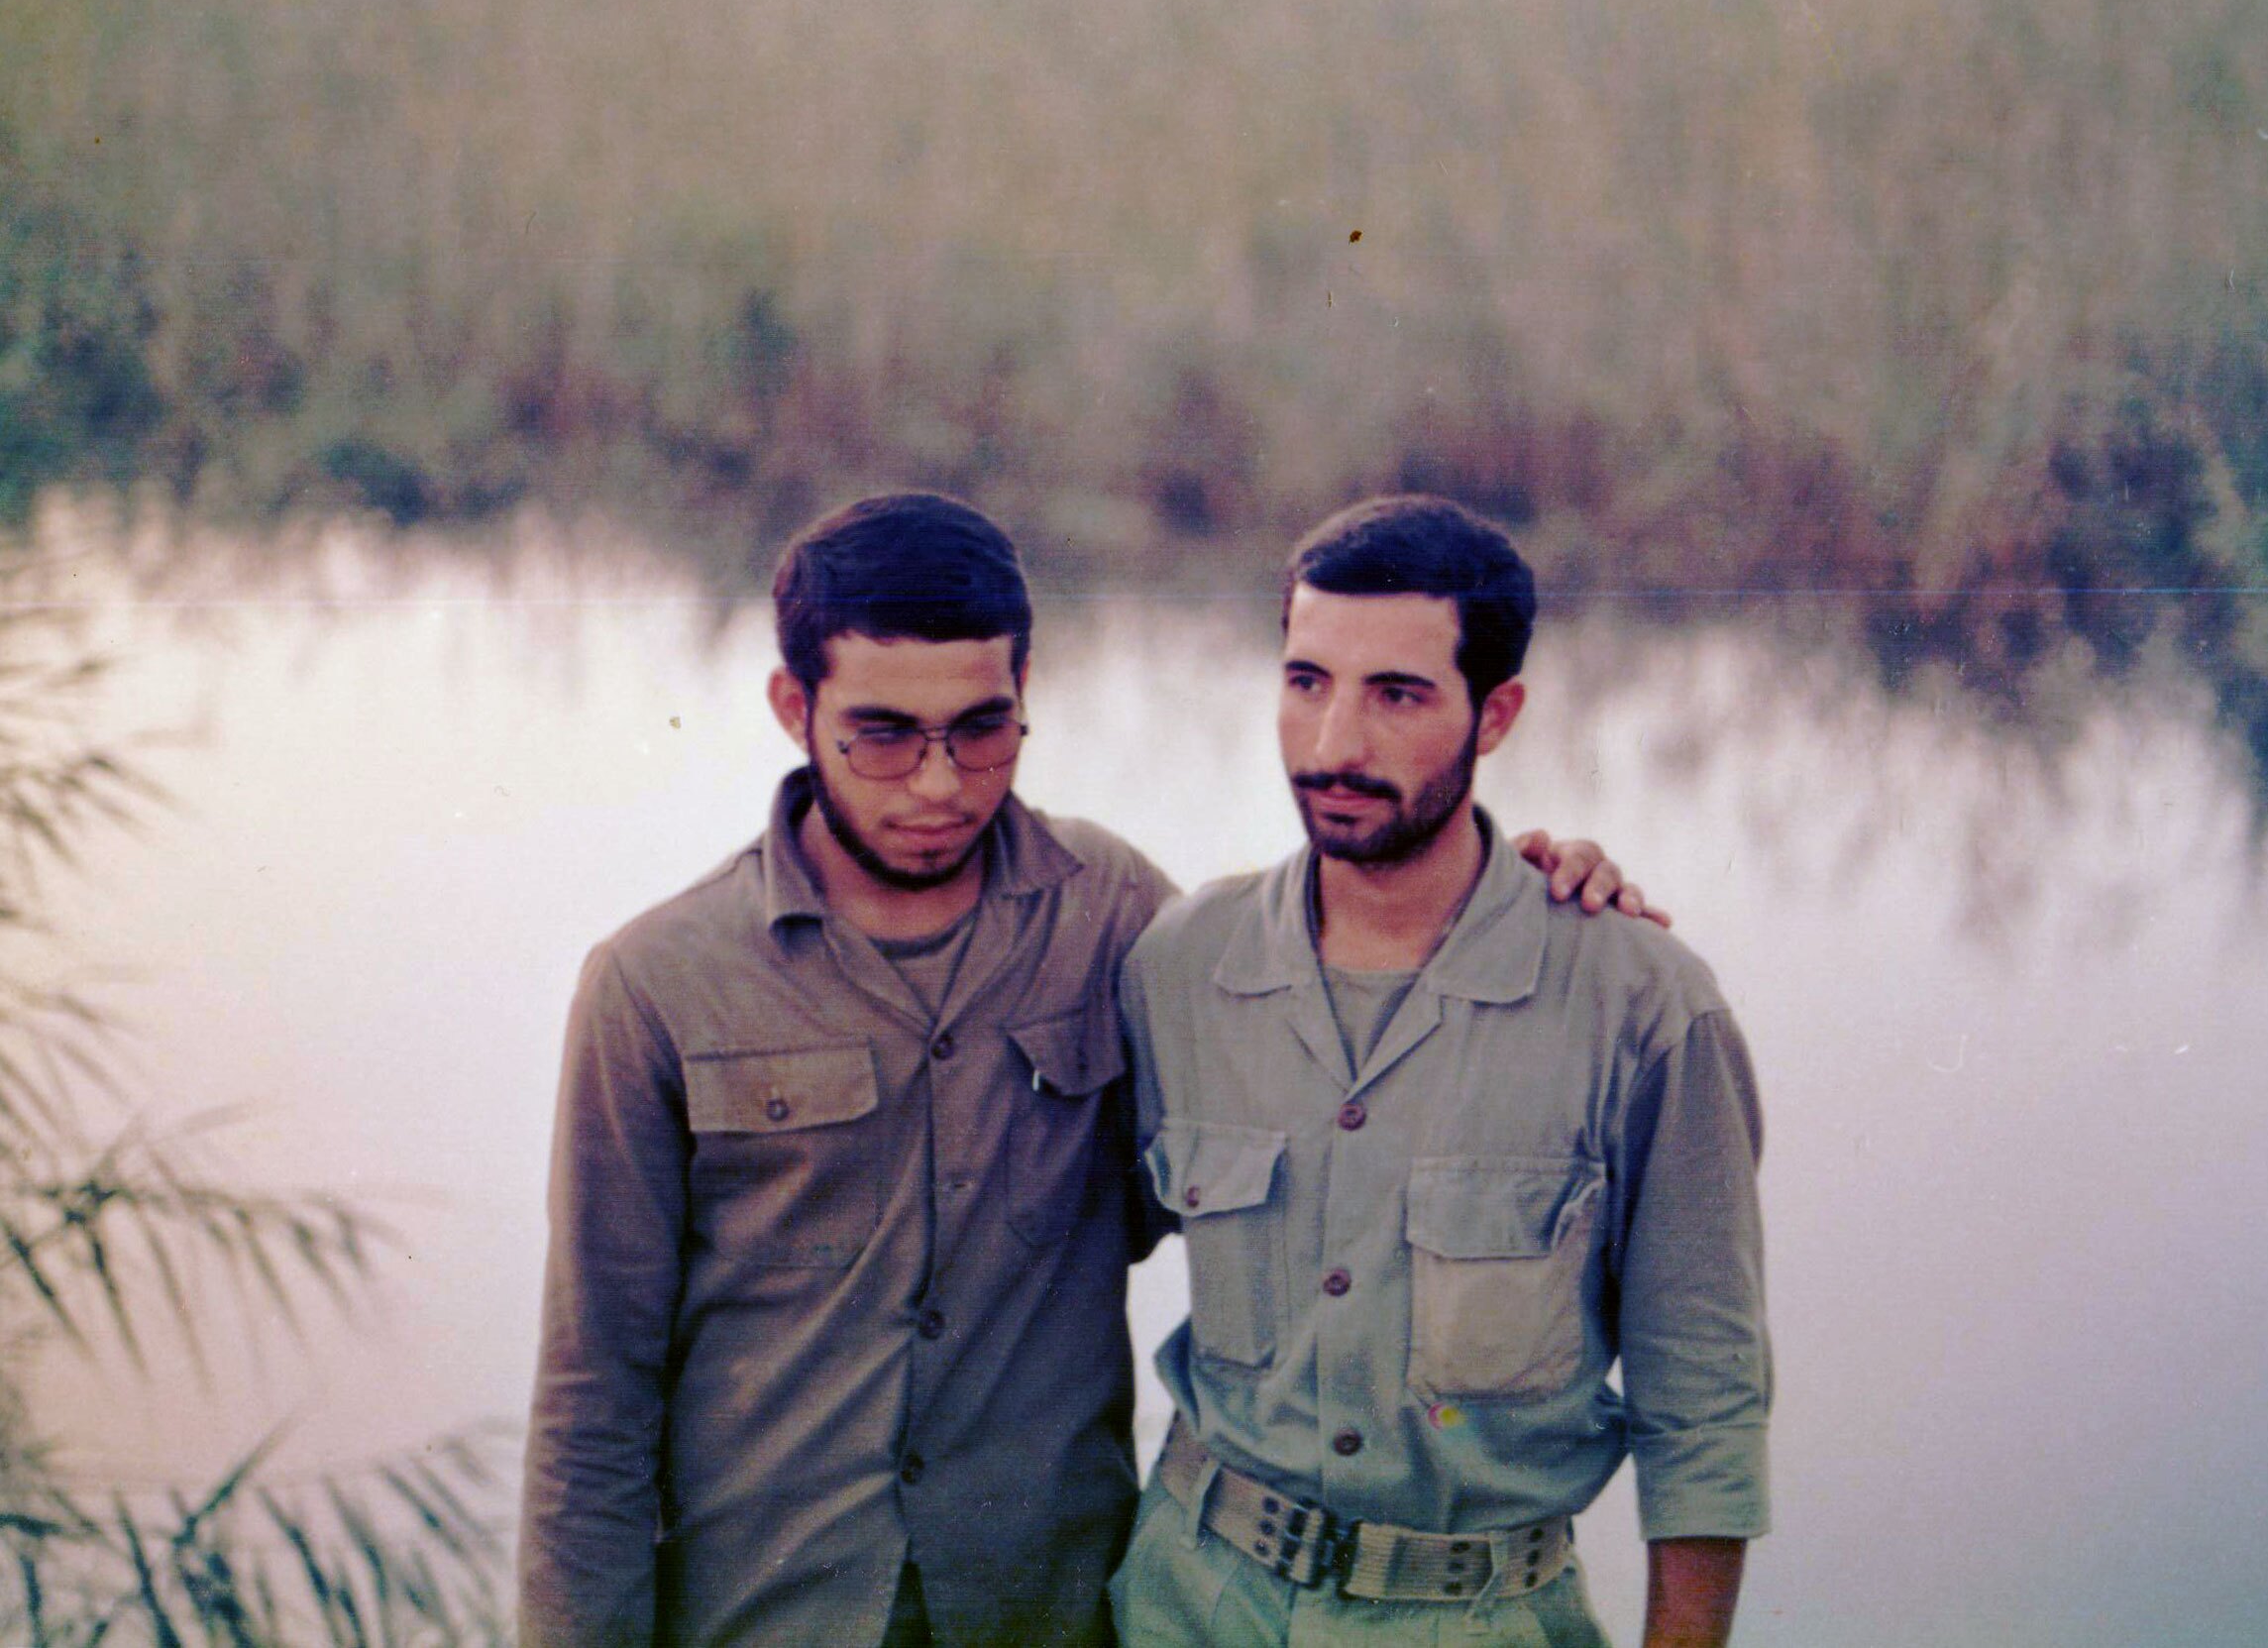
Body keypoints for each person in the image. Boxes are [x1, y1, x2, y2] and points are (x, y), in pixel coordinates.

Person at [518, 491, 1651, 1648]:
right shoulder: (656, 985)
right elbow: (592, 1403)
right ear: (791, 707)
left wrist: (1510, 894)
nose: (939, 784)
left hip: (1053, 1616)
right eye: (883, 734)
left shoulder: (1118, 917)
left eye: (982, 728)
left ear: (1026, 694)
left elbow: (1329, 1095)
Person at [1114, 494, 1771, 1648]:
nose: (1333, 745)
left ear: (1496, 713)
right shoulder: (1179, 965)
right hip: (1188, 1603)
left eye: (1398, 695)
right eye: (1306, 681)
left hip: (1477, 1616)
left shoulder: (1642, 1006)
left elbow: (1705, 1409)